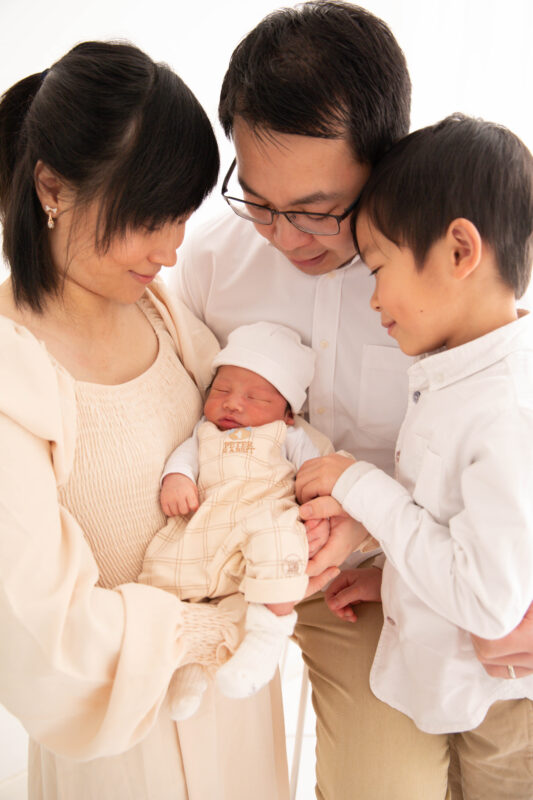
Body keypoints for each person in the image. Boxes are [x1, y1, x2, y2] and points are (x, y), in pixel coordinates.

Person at [0, 41, 333, 800]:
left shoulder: (162, 314)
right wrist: (222, 630)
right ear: (52, 186)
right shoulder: (12, 370)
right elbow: (39, 636)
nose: (172, 247)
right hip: (120, 743)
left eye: (180, 217)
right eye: (150, 217)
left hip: (234, 718)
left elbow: (248, 459)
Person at [169, 2, 452, 797]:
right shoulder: (213, 263)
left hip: (371, 583)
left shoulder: (448, 275)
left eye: (318, 212)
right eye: (258, 200)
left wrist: (369, 520)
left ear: (386, 160)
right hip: (222, 556)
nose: (285, 236)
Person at [297, 113, 533, 799]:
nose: (371, 298)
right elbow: (456, 527)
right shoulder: (459, 372)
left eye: (377, 268)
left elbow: (488, 603)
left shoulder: (504, 409)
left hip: (503, 711)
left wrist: (358, 486)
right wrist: (396, 580)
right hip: (462, 690)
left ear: (460, 251)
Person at [139, 321, 336, 717]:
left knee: (279, 543)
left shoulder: (289, 437)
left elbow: (318, 473)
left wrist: (320, 512)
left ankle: (268, 636)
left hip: (265, 517)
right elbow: (184, 457)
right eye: (222, 391)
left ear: (287, 415)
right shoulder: (203, 433)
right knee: (168, 577)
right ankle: (189, 670)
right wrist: (176, 479)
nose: (232, 405)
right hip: (210, 526)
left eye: (256, 398)